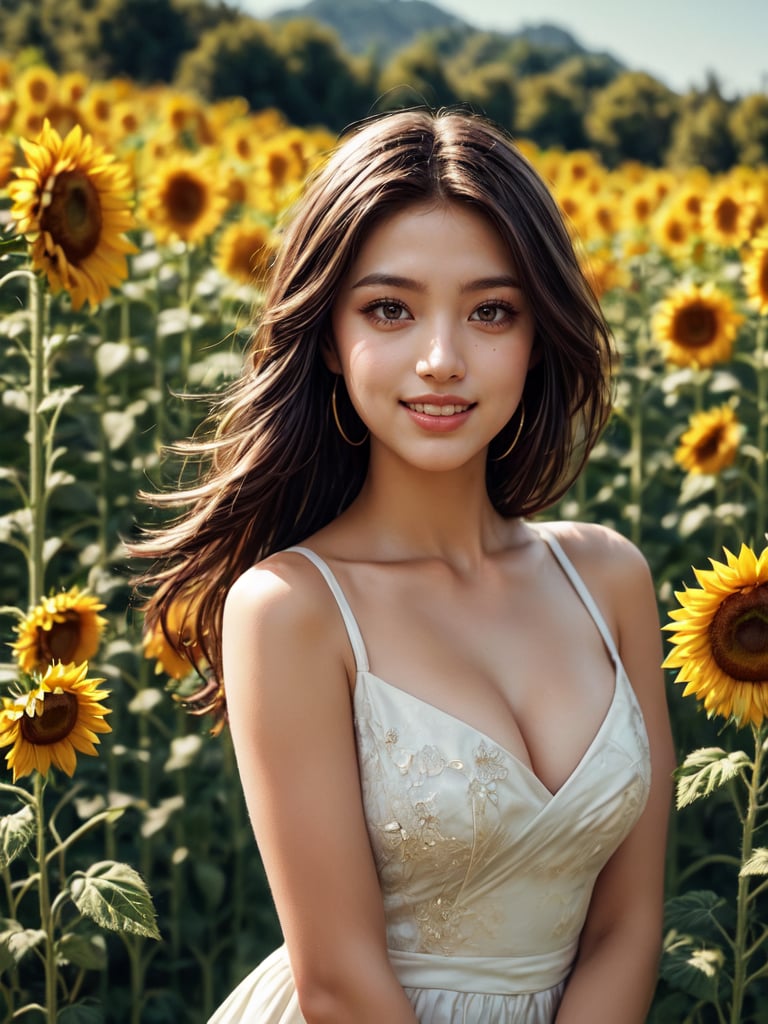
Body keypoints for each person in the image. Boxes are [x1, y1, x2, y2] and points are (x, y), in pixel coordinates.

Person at [133, 107, 675, 1024]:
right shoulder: (290, 608)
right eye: (390, 309)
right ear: (330, 342)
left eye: (490, 311)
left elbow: (629, 923)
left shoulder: (611, 579)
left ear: (537, 335)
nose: (440, 360)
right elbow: (340, 984)